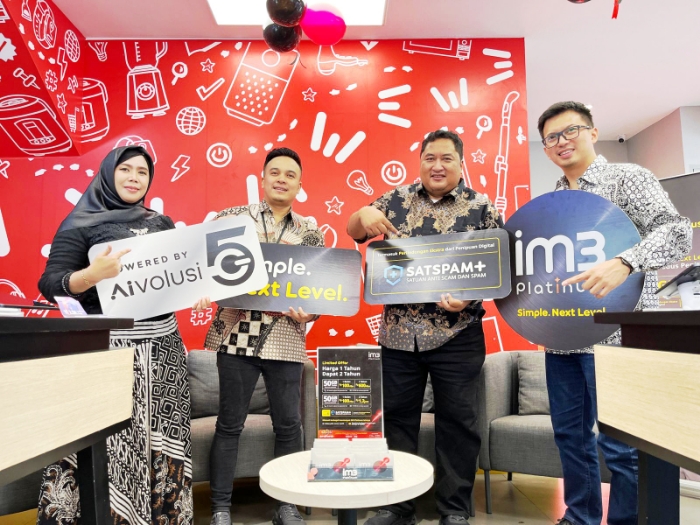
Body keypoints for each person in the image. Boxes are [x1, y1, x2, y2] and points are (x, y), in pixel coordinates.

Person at [537, 101, 692, 525]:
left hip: (619, 337)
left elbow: (677, 232)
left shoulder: (629, 178)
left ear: (592, 132)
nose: (561, 141)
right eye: (551, 137)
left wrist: (626, 261)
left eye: (570, 131)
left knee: (622, 447)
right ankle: (579, 518)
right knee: (570, 438)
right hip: (563, 339)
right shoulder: (551, 201)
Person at [36, 145, 209, 525]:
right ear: (108, 173)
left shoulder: (161, 223)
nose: (134, 177)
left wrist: (196, 289)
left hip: (163, 352)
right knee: (110, 444)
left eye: (142, 172)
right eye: (126, 169)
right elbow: (50, 283)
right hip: (109, 351)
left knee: (164, 441)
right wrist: (90, 276)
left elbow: (179, 276)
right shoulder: (80, 222)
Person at [346, 130, 503, 525]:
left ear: (461, 164)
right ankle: (396, 508)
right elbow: (355, 230)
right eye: (430, 157)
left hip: (458, 333)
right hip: (399, 334)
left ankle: (455, 510)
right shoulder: (394, 200)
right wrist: (362, 214)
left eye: (447, 158)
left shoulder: (481, 206)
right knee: (397, 421)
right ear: (420, 161)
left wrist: (468, 295)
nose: (437, 165)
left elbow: (497, 266)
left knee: (458, 423)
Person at [205, 148, 323, 525]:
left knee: (289, 426)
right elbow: (207, 266)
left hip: (286, 338)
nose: (281, 179)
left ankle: (286, 505)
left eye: (290, 175)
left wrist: (311, 313)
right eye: (275, 172)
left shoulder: (310, 232)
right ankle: (220, 508)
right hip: (236, 335)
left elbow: (319, 290)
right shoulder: (232, 220)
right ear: (262, 178)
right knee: (229, 424)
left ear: (299, 185)